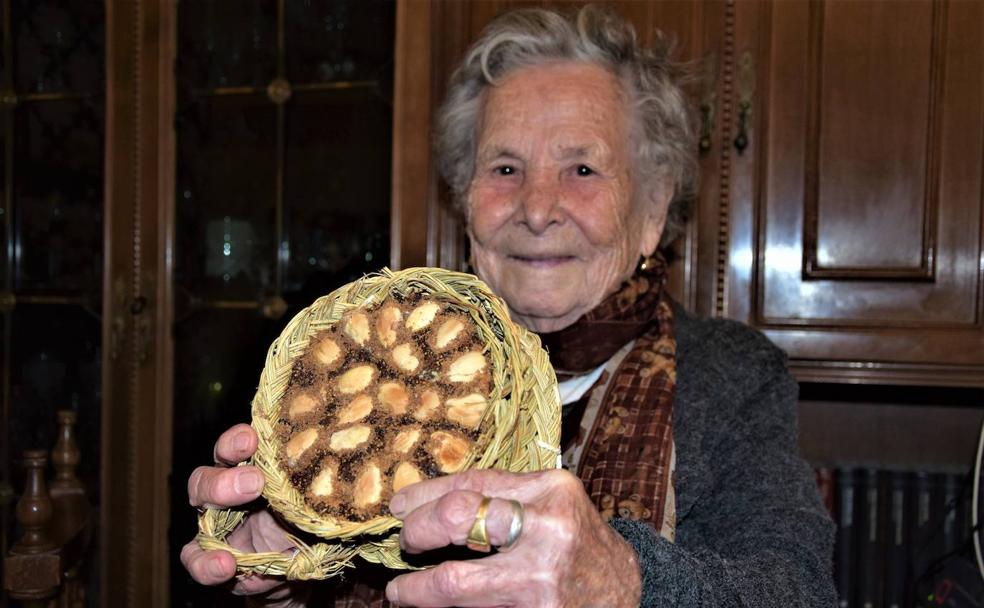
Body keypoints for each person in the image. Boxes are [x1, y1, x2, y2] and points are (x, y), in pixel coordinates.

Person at [181, 6, 836, 607]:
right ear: (465, 200)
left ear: (652, 211)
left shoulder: (729, 374)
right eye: (504, 169)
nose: (537, 208)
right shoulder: (372, 364)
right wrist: (288, 577)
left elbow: (795, 588)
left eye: (582, 170)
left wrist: (622, 579)